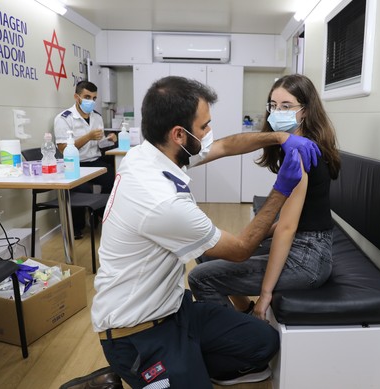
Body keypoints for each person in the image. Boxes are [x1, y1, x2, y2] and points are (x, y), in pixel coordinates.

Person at [87, 76, 321, 389]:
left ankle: (188, 361)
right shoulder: (162, 201)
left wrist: (279, 137)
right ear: (179, 134)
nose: (210, 134)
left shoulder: (149, 154)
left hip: (174, 310)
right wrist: (280, 190)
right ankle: (115, 378)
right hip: (137, 333)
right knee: (206, 268)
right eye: (205, 127)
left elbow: (225, 146)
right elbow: (240, 249)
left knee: (264, 341)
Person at [188, 74, 341, 321]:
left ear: (306, 111)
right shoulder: (295, 144)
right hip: (308, 243)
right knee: (209, 251)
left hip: (308, 259)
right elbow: (299, 217)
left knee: (201, 277)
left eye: (287, 106)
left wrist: (265, 294)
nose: (277, 111)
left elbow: (288, 228)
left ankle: (241, 343)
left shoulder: (300, 153)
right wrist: (243, 242)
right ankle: (244, 315)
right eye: (273, 105)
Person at [54, 80, 117, 239]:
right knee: (82, 191)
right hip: (75, 164)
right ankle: (77, 227)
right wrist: (88, 136)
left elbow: (99, 143)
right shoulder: (64, 118)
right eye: (87, 97)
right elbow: (63, 149)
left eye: (94, 98)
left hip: (94, 161)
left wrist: (108, 140)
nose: (91, 101)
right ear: (77, 97)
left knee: (114, 181)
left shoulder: (97, 117)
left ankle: (103, 215)